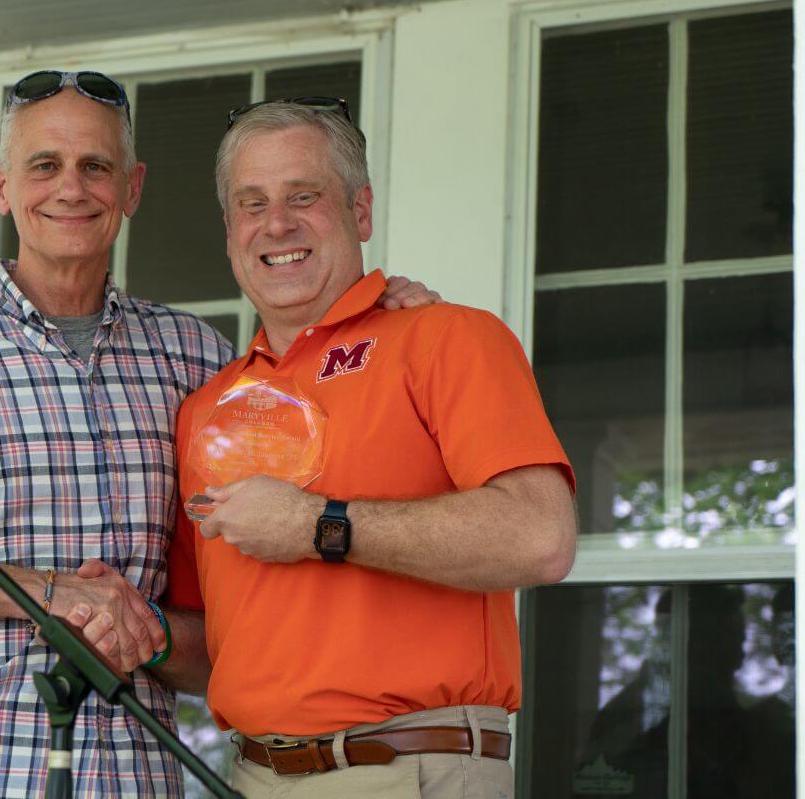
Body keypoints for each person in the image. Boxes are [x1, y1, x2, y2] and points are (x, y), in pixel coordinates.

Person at [0, 71, 437, 799]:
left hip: (128, 777)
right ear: (1, 186)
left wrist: (376, 312)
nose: (71, 188)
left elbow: (240, 616)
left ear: (131, 189)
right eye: (45, 165)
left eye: (96, 166)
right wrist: (50, 593)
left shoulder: (196, 361)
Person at [164, 99, 578, 798]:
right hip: (252, 774)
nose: (277, 224)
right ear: (231, 231)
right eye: (252, 203)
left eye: (304, 196)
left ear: (360, 211)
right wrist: (119, 623)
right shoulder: (208, 409)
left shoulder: (444, 338)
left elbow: (541, 537)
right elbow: (212, 651)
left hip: (406, 765)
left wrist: (317, 526)